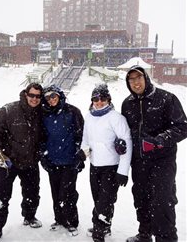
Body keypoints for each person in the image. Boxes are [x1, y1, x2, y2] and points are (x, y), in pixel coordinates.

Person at [121, 65, 187, 242]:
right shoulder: (127, 103)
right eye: (132, 79)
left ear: (146, 78)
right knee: (141, 198)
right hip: (139, 161)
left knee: (162, 201)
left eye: (139, 78)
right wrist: (119, 143)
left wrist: (160, 139)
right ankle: (144, 234)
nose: (136, 83)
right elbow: (125, 132)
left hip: (162, 161)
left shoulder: (166, 98)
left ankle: (165, 238)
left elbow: (182, 127)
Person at [0, 83, 43, 241]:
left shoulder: (42, 113)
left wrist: (40, 153)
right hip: (8, 163)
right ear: (26, 94)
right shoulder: (9, 110)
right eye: (32, 95)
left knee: (32, 193)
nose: (34, 99)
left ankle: (29, 216)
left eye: (38, 96)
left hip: (30, 162)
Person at [79, 84, 132, 242]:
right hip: (95, 165)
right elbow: (85, 139)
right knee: (98, 198)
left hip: (111, 166)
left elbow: (126, 142)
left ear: (109, 99)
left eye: (103, 98)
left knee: (105, 199)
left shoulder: (116, 118)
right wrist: (84, 151)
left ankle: (99, 229)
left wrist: (122, 171)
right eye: (96, 99)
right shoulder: (89, 116)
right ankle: (105, 223)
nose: (99, 102)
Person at [40, 84, 84, 236]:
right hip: (53, 161)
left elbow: (81, 134)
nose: (51, 100)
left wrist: (79, 155)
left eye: (53, 96)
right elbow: (42, 138)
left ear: (59, 95)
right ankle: (59, 219)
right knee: (56, 192)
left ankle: (71, 221)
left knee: (68, 193)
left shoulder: (72, 111)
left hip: (70, 161)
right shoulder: (45, 114)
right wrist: (44, 156)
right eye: (47, 97)